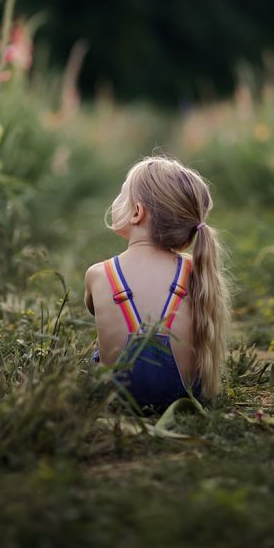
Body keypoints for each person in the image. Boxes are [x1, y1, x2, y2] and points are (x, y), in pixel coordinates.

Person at [84, 155, 231, 412]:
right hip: (183, 395)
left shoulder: (99, 274)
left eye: (122, 195)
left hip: (117, 398)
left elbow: (92, 309)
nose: (115, 201)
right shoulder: (195, 271)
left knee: (95, 355)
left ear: (137, 212)